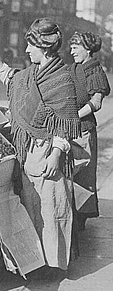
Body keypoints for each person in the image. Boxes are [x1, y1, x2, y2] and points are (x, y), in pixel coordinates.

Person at [0, 18, 81, 277]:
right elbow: (12, 80)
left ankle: (54, 267)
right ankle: (35, 262)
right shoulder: (31, 74)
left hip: (49, 155)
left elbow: (66, 120)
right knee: (32, 209)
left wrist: (57, 154)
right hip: (29, 153)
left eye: (30, 46)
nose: (26, 51)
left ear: (43, 47)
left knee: (52, 209)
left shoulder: (62, 77)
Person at [69, 32, 111, 230]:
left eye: (75, 48)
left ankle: (80, 219)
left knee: (84, 175)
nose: (72, 52)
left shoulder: (95, 70)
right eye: (71, 48)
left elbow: (96, 102)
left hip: (84, 130)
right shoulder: (74, 68)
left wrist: (74, 115)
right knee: (71, 173)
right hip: (71, 130)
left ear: (87, 49)